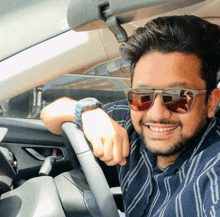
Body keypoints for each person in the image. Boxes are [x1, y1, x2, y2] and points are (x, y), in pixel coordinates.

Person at [40, 15, 220, 216]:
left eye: (178, 97)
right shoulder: (128, 121)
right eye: (143, 95)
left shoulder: (213, 175)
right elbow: (50, 113)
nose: (156, 113)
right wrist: (88, 113)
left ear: (211, 102)